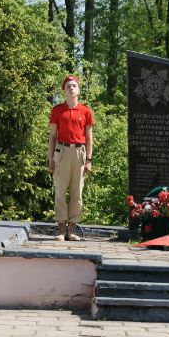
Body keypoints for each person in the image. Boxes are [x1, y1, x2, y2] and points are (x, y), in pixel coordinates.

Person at [49, 75, 93, 241]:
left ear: (78, 90)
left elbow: (89, 137)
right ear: (64, 90)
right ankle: (61, 228)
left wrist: (89, 160)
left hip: (79, 153)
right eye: (68, 86)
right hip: (62, 152)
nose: (71, 88)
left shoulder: (86, 111)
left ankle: (72, 228)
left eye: (74, 86)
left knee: (77, 193)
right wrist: (50, 159)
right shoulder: (57, 110)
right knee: (60, 191)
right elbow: (52, 136)